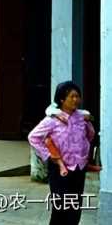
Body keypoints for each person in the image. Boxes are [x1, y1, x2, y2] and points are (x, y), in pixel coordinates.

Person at [28, 81, 96, 225]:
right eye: (71, 97)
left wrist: (85, 151)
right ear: (61, 100)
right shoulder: (53, 119)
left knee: (74, 208)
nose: (75, 100)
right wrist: (48, 155)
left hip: (78, 168)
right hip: (59, 169)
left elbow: (90, 135)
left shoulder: (81, 117)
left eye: (77, 96)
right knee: (61, 208)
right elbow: (33, 137)